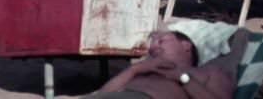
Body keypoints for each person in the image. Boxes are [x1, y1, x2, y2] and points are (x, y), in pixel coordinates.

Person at [91, 27, 237, 99]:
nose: (154, 47)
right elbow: (102, 94)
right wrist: (134, 70)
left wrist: (182, 78)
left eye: (162, 41)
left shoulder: (209, 72)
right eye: (153, 44)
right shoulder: (143, 70)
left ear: (186, 45)